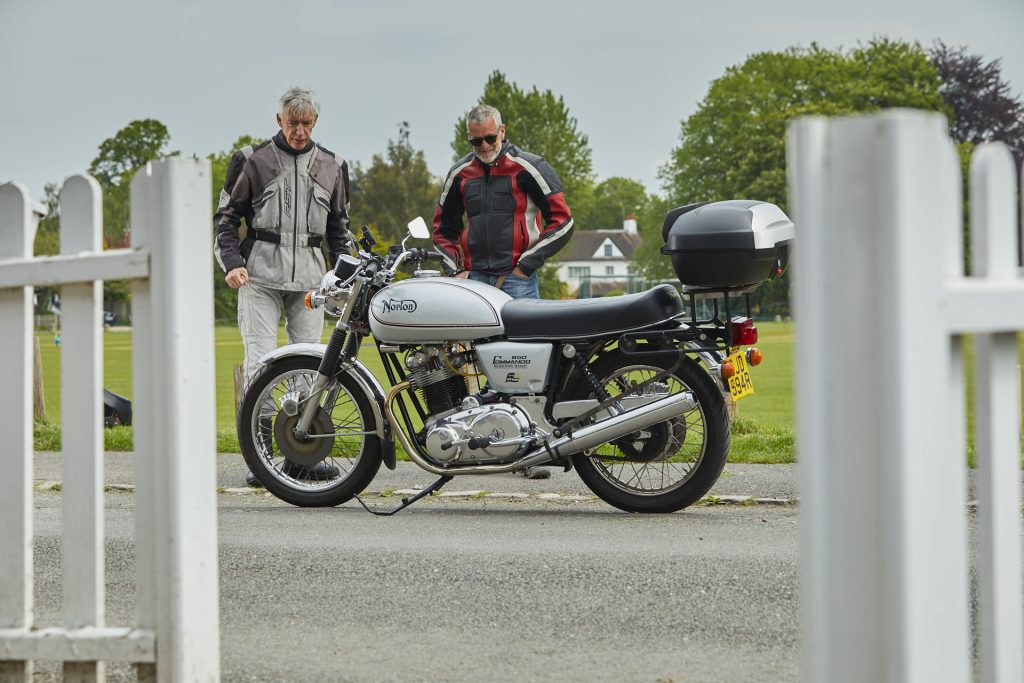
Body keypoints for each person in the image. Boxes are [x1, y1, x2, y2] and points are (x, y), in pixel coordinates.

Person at [214, 87, 352, 487]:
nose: (299, 130)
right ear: (279, 121)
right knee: (260, 365)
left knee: (311, 369)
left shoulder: (333, 165)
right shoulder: (251, 161)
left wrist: (343, 277)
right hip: (259, 277)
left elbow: (339, 233)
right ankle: (262, 460)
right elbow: (225, 220)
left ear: (315, 122)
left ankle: (301, 459)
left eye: (306, 123)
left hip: (310, 281)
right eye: (292, 123)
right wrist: (233, 264)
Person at [432, 104, 574, 479]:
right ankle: (487, 444)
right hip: (475, 280)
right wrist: (457, 267)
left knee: (526, 366)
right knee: (476, 364)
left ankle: (533, 451)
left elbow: (563, 220)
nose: (483, 146)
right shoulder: (459, 174)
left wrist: (527, 264)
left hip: (517, 279)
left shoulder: (529, 166)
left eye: (490, 138)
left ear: (503, 131)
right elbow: (441, 230)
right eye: (475, 140)